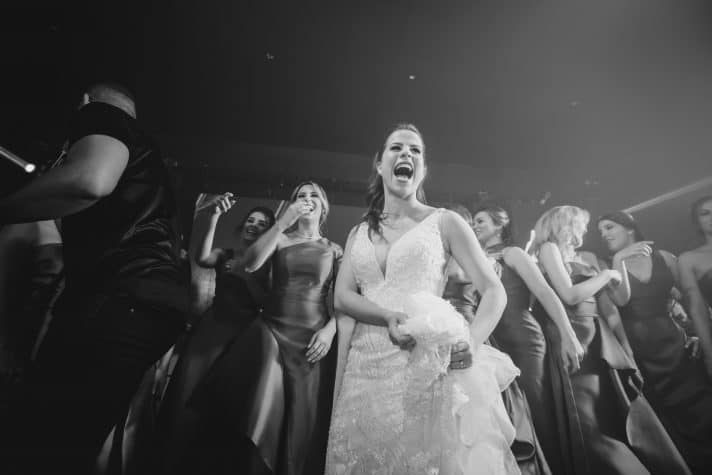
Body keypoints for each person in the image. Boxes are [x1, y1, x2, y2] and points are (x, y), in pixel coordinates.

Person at [0, 83, 187, 474]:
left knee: (41, 442)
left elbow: (91, 181)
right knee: (69, 444)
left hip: (120, 297)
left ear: (85, 102)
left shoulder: (101, 115)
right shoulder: (152, 166)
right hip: (152, 304)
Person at [326, 124, 519, 474]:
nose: (406, 154)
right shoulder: (359, 231)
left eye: (415, 151)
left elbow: (494, 290)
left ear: (423, 170)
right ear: (380, 164)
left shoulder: (445, 222)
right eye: (396, 148)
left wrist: (473, 341)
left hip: (420, 365)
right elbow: (341, 297)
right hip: (363, 369)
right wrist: (385, 316)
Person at [186, 181, 342, 475]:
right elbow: (251, 263)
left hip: (312, 338)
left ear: (323, 208)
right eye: (300, 196)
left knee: (301, 419)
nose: (306, 199)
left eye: (313, 196)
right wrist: (283, 221)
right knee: (259, 411)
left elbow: (345, 300)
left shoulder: (334, 249)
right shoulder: (280, 239)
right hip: (272, 329)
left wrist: (331, 329)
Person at [532, 205, 690, 475]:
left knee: (618, 409)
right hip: (573, 333)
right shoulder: (548, 248)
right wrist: (606, 275)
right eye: (580, 224)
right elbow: (569, 296)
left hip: (599, 334)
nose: (584, 230)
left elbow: (617, 302)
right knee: (589, 418)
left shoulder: (585, 256)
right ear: (564, 224)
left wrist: (617, 264)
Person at [598, 210, 712, 474]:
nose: (603, 235)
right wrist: (618, 260)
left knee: (703, 407)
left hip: (675, 344)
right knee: (667, 422)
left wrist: (695, 333)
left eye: (609, 227)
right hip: (640, 352)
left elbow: (692, 302)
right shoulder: (608, 266)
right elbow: (621, 301)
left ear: (630, 228)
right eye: (600, 231)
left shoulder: (666, 258)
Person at [472, 205, 583, 475]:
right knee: (509, 415)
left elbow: (545, 293)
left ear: (500, 225)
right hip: (491, 342)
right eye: (473, 222)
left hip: (523, 340)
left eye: (480, 221)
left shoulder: (513, 254)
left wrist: (569, 336)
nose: (475, 226)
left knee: (534, 409)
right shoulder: (471, 257)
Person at [679, 195, 712, 374]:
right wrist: (709, 356)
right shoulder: (688, 260)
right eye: (705, 213)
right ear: (697, 222)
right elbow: (697, 310)